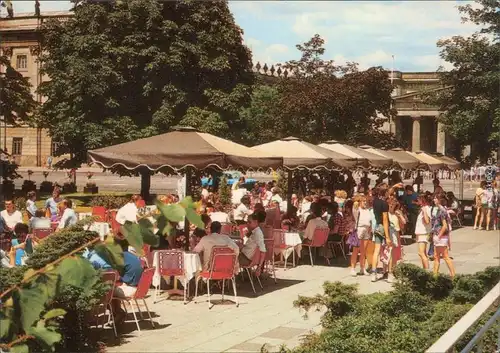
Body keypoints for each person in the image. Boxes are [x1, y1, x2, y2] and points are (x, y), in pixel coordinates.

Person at [113, 249, 144, 323]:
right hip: (140, 289)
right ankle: (118, 312)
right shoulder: (131, 256)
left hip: (130, 290)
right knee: (113, 289)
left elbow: (115, 273)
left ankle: (119, 313)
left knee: (108, 291)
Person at [431, 194, 455, 278]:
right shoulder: (437, 209)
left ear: (439, 200)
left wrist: (438, 236)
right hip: (438, 235)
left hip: (440, 236)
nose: (434, 200)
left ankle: (453, 275)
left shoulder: (441, 210)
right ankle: (435, 274)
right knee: (437, 256)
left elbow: (444, 226)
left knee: (444, 256)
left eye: (435, 198)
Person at [371, 185, 391, 282]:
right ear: (385, 192)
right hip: (383, 227)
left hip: (377, 226)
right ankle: (386, 271)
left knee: (377, 250)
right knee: (388, 249)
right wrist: (387, 236)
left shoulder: (375, 202)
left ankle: (374, 272)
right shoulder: (384, 204)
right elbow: (385, 220)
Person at [353, 195, 372, 276]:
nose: (365, 202)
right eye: (363, 201)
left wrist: (370, 228)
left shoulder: (368, 210)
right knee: (356, 250)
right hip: (359, 229)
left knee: (364, 251)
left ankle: (362, 268)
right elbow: (354, 207)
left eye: (365, 201)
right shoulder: (357, 210)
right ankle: (353, 268)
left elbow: (370, 220)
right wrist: (357, 201)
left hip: (367, 230)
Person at [415, 194, 432, 269]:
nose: (417, 201)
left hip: (423, 233)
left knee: (421, 253)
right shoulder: (423, 208)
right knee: (423, 253)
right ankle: (424, 268)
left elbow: (427, 221)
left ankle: (427, 270)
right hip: (420, 232)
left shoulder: (426, 208)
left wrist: (424, 211)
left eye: (419, 199)